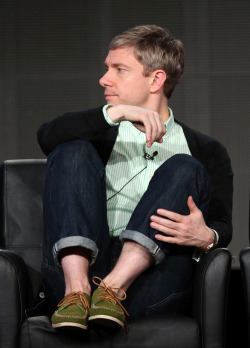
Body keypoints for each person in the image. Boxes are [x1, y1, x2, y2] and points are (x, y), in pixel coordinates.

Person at [37, 25, 233, 331]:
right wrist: (115, 113)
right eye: (107, 69)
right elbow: (48, 137)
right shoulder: (97, 134)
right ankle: (78, 293)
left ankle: (112, 289)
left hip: (152, 281)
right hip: (80, 272)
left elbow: (222, 224)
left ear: (156, 79)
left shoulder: (207, 151)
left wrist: (208, 237)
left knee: (185, 167)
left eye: (119, 70)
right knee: (71, 149)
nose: (104, 79)